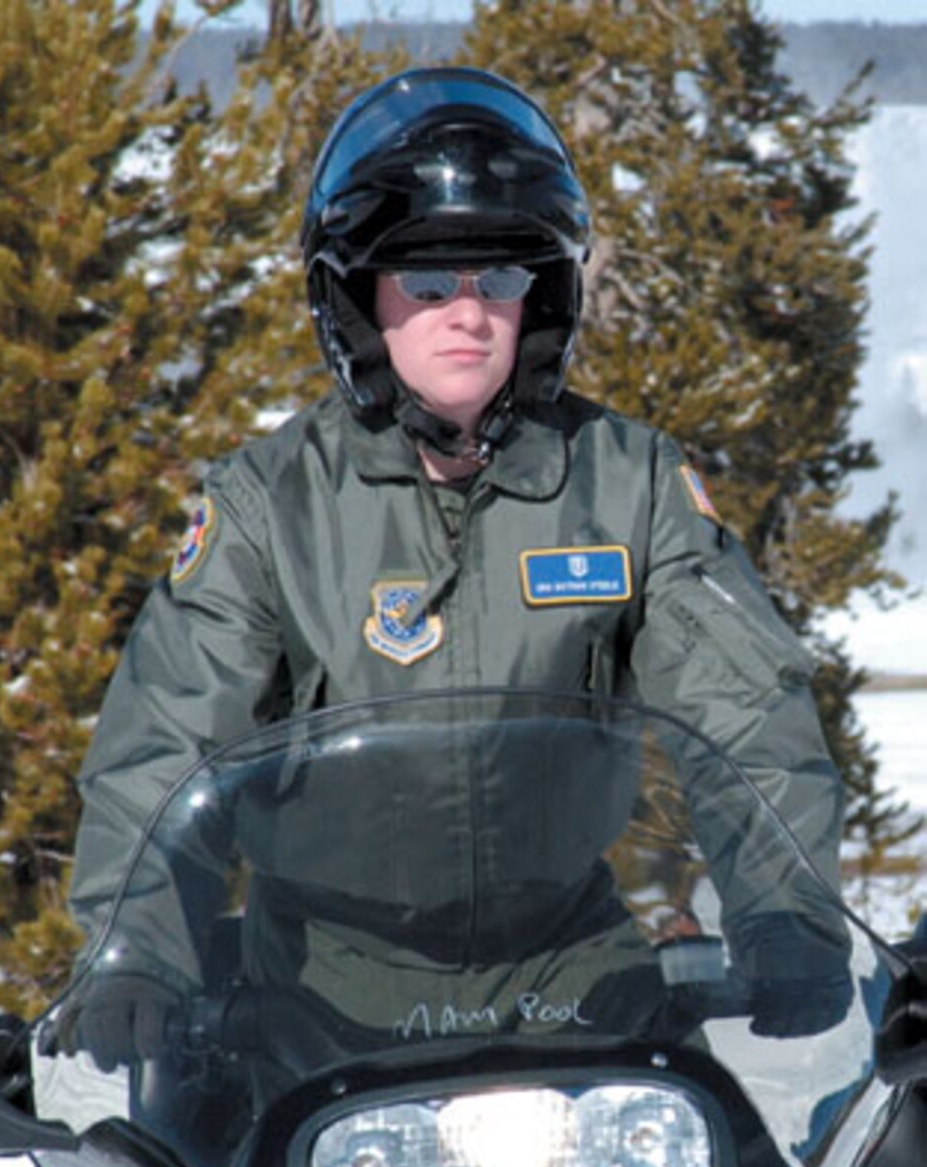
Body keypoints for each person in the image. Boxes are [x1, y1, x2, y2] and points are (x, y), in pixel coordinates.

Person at [58, 64, 847, 1069]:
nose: (466, 313)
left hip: (573, 971)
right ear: (359, 303)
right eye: (426, 282)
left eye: (500, 279)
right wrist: (138, 959)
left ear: (544, 300)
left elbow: (745, 713)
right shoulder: (269, 506)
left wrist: (788, 919)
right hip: (313, 991)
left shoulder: (628, 483)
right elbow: (163, 746)